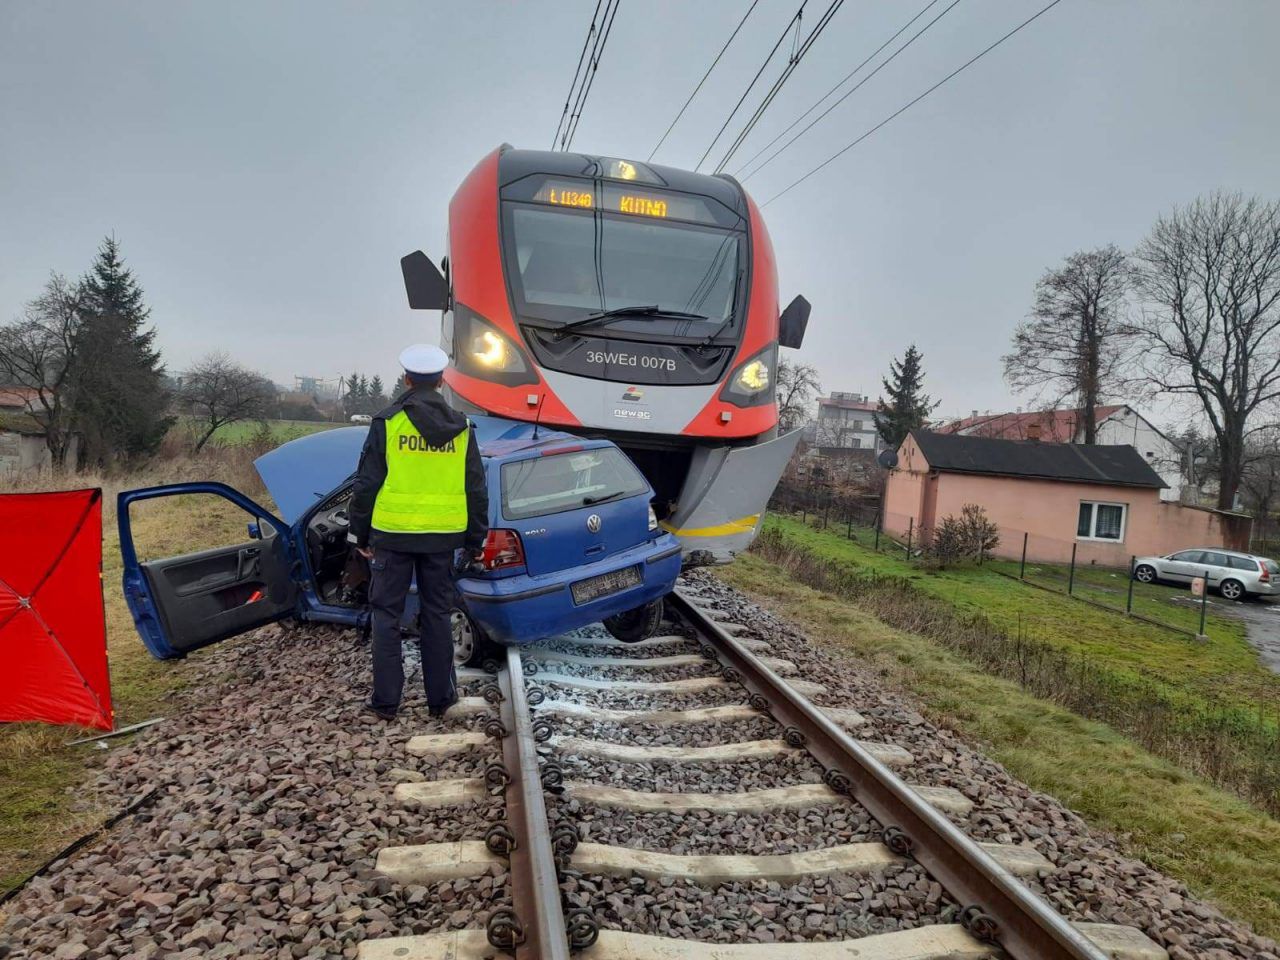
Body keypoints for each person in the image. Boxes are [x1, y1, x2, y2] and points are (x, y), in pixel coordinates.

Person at [347, 343, 488, 721]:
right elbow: (476, 486)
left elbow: (367, 483)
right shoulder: (463, 427)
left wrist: (359, 534)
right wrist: (475, 539)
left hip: (392, 535)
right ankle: (441, 700)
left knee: (386, 616)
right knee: (438, 615)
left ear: (407, 380)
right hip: (442, 538)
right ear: (441, 381)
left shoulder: (388, 422)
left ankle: (385, 703)